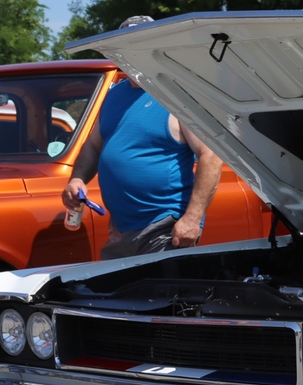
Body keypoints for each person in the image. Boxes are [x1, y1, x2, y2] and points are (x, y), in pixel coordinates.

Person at [62, 16, 223, 259]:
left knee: (165, 296)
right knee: (116, 295)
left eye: (135, 45)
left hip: (164, 228)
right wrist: (77, 179)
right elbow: (94, 146)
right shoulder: (114, 95)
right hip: (121, 230)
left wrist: (192, 219)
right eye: (121, 47)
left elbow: (211, 156)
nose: (127, 53)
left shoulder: (176, 94)